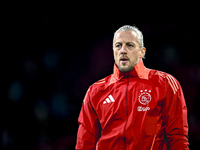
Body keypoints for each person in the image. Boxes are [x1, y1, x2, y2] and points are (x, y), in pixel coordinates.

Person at [75, 25, 189, 150]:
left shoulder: (165, 84)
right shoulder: (95, 91)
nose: (123, 50)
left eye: (130, 45)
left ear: (142, 52)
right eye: (118, 45)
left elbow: (177, 137)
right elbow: (84, 143)